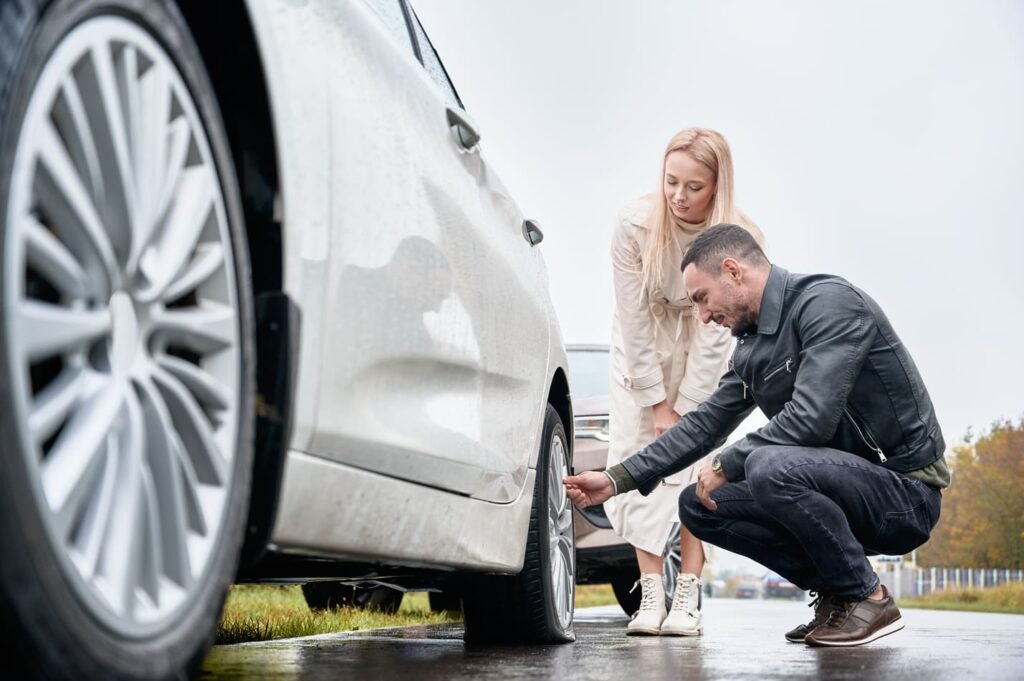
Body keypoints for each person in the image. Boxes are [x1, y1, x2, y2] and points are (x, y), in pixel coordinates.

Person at [565, 224, 949, 647]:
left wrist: (727, 463)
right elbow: (703, 424)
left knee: (768, 465)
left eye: (702, 298)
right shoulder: (751, 348)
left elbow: (811, 418)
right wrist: (617, 478)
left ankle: (868, 597)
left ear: (733, 271)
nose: (704, 316)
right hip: (836, 487)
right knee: (698, 505)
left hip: (904, 494)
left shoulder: (830, 305)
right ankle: (839, 593)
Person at [604, 128, 764, 636]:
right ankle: (650, 593)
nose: (678, 196)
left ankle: (689, 592)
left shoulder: (739, 236)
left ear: (717, 186)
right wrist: (655, 404)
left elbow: (720, 332)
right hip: (642, 346)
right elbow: (631, 318)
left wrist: (688, 412)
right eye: (671, 182)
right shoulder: (633, 225)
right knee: (637, 462)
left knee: (694, 464)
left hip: (705, 341)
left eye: (693, 186)